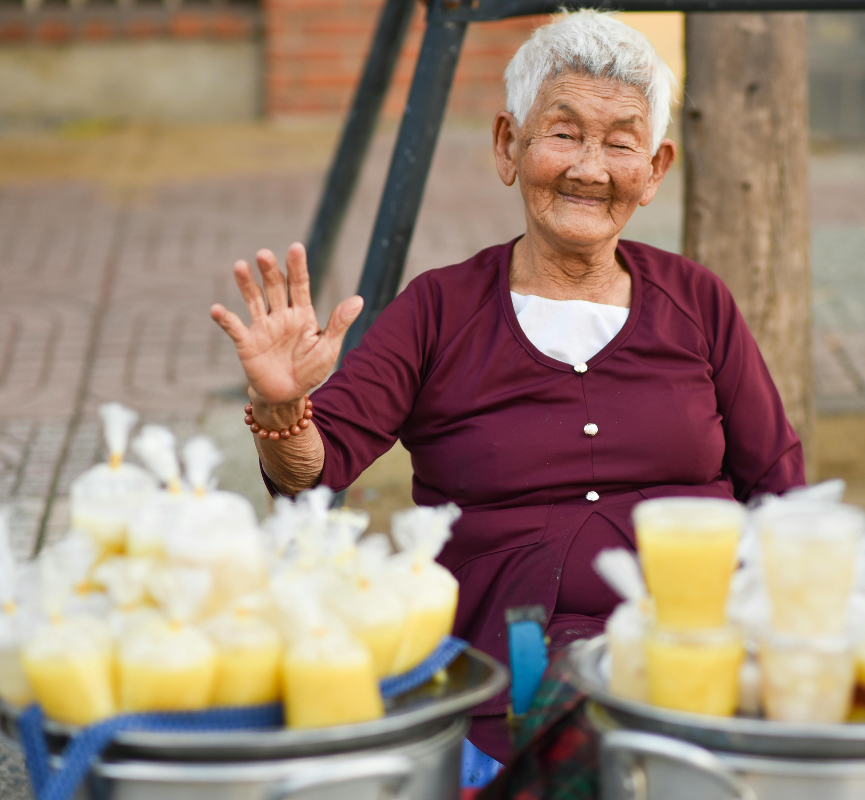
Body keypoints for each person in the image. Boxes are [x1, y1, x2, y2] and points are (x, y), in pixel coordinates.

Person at [210, 9, 805, 762]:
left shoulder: (698, 300)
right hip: (505, 693)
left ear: (653, 171)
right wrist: (283, 405)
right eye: (563, 133)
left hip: (695, 677)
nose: (590, 168)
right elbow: (314, 473)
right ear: (508, 146)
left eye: (621, 143)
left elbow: (782, 490)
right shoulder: (439, 309)